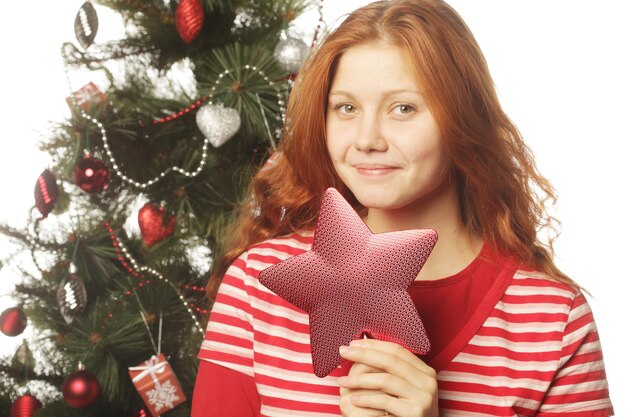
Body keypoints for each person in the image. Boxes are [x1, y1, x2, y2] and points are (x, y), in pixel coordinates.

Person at [191, 0, 614, 416]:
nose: (367, 139)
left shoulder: (553, 322)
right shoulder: (257, 286)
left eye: (403, 108)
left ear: (463, 120)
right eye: (347, 108)